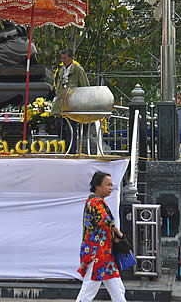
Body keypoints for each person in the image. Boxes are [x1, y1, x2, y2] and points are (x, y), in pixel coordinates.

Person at [76, 171, 127, 302]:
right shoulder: (96, 203)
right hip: (97, 252)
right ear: (98, 186)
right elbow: (106, 222)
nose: (111, 188)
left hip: (103, 252)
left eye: (111, 185)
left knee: (117, 288)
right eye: (108, 185)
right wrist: (120, 235)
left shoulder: (94, 202)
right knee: (90, 288)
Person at [52, 48, 90, 152]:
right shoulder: (61, 70)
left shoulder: (78, 70)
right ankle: (64, 150)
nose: (63, 61)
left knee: (71, 130)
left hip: (73, 106)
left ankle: (72, 152)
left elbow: (85, 87)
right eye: (62, 58)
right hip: (60, 105)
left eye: (65, 58)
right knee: (59, 127)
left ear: (71, 58)